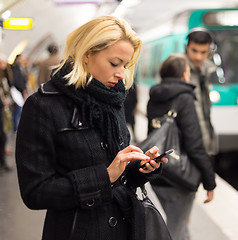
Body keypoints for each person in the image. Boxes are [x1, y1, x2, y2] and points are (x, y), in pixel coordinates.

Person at [15, 16, 167, 240]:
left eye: (125, 65)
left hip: (126, 228)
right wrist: (104, 177)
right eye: (114, 63)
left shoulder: (112, 100)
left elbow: (119, 176)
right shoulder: (43, 105)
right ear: (87, 54)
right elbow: (35, 192)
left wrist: (140, 168)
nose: (121, 74)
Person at [147, 54, 216, 240]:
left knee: (178, 228)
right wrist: (209, 181)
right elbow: (194, 144)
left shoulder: (154, 96)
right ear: (184, 75)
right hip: (181, 177)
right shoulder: (185, 98)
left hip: (159, 174)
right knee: (175, 232)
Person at [185, 27, 217, 155]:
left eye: (204, 52)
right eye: (194, 50)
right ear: (186, 46)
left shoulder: (208, 70)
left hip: (204, 136)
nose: (198, 57)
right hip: (187, 141)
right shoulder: (178, 67)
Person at [11, 54, 28, 131]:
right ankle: (16, 128)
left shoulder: (20, 67)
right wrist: (23, 89)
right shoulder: (16, 68)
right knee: (18, 110)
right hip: (18, 92)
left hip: (20, 91)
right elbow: (18, 80)